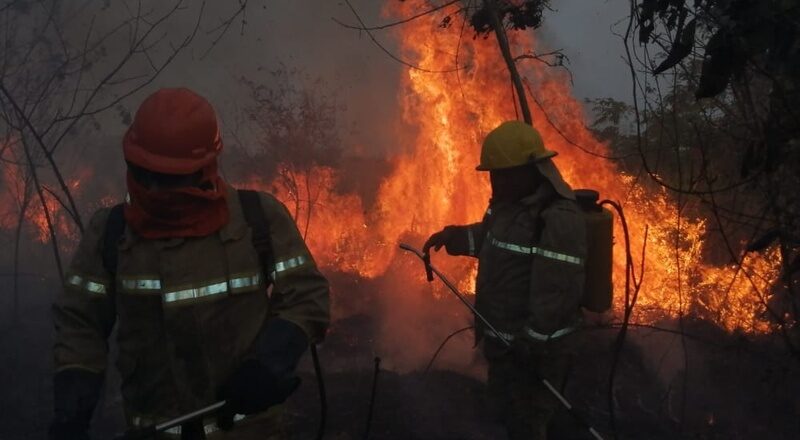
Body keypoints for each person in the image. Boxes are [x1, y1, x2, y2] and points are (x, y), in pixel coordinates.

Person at [49, 88, 330, 439]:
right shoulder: (110, 233)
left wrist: (269, 362)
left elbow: (306, 294)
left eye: (169, 177)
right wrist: (72, 413)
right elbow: (80, 322)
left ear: (204, 168)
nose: (156, 186)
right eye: (147, 172)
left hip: (247, 431)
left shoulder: (257, 218)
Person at [424, 120, 587, 440]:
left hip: (536, 355)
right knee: (503, 417)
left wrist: (531, 345)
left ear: (530, 170)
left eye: (502, 173)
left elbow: (556, 296)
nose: (494, 181)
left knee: (528, 423)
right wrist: (454, 237)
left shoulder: (558, 220)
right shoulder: (507, 206)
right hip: (504, 344)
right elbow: (490, 239)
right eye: (492, 174)